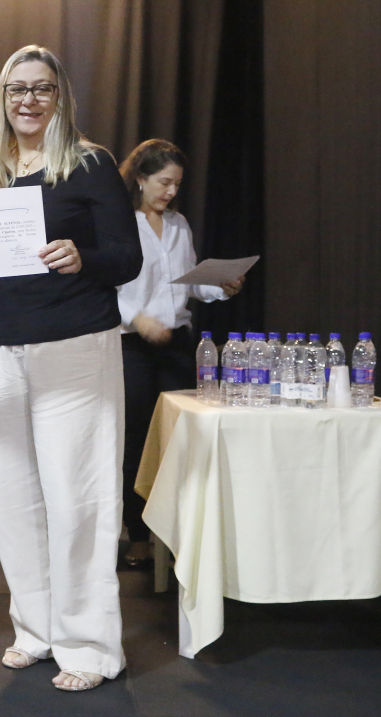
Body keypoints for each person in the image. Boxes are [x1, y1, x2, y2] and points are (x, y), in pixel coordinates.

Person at [0, 45, 143, 692]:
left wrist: (84, 257)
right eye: (16, 89)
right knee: (12, 498)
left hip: (74, 346)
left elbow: (127, 258)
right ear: (3, 99)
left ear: (60, 97)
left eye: (41, 88)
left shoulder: (89, 163)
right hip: (3, 349)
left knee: (78, 498)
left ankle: (92, 647)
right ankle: (36, 630)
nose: (28, 99)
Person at [116, 139, 243, 569]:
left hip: (177, 344)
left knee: (178, 440)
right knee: (137, 441)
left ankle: (174, 535)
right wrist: (137, 318)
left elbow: (188, 283)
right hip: (131, 346)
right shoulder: (120, 222)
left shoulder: (178, 224)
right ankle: (138, 534)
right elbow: (101, 286)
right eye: (164, 182)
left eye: (177, 184)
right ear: (140, 178)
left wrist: (221, 287)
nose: (171, 192)